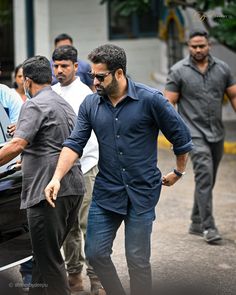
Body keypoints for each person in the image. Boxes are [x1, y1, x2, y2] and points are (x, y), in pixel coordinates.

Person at [45, 44, 193, 295]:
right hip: (107, 192)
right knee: (95, 253)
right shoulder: (91, 104)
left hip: (142, 193)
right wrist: (56, 177)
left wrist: (178, 172)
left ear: (120, 73)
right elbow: (74, 143)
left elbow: (181, 138)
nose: (95, 81)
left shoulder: (151, 100)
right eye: (92, 75)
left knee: (137, 259)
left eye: (100, 76)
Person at [0, 55, 85, 295]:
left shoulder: (34, 104)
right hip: (72, 189)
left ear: (27, 81)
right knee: (42, 257)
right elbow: (51, 144)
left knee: (48, 262)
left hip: (47, 194)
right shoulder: (61, 103)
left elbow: (17, 144)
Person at [164, 29, 236, 244]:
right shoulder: (178, 71)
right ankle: (208, 227)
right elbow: (169, 104)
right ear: (188, 46)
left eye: (201, 46)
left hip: (217, 132)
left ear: (209, 45)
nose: (197, 49)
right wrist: (175, 134)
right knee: (204, 175)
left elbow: (233, 95)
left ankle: (196, 221)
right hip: (193, 134)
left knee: (209, 178)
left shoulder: (223, 69)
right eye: (194, 46)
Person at [52, 45, 105, 295]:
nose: (59, 70)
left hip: (85, 168)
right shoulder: (50, 93)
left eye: (64, 66)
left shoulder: (87, 94)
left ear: (75, 66)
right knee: (68, 227)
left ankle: (96, 278)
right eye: (56, 66)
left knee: (88, 225)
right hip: (60, 172)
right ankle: (75, 276)